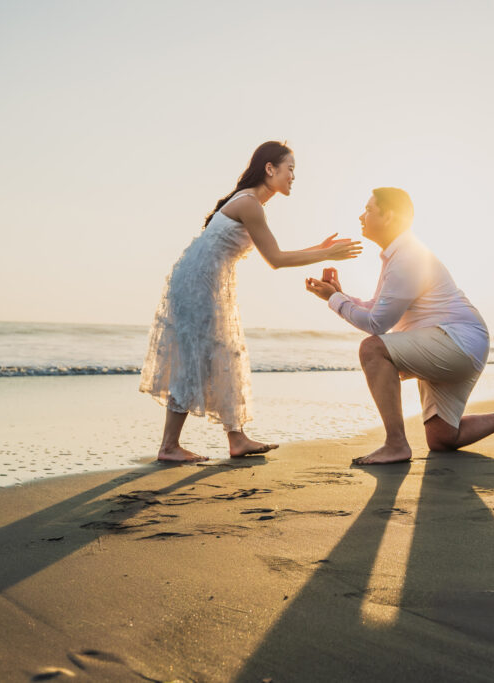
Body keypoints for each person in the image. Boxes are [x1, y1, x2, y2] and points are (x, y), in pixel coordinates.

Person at [140, 141, 362, 463]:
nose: (293, 177)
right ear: (269, 169)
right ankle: (170, 446)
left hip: (206, 281)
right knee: (197, 357)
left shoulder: (252, 203)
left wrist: (319, 247)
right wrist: (326, 253)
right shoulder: (250, 204)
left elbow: (274, 251)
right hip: (198, 285)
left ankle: (237, 438)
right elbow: (275, 259)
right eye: (290, 169)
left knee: (222, 352)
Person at [305, 187, 494, 465]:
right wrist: (339, 295)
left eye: (368, 209)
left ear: (389, 216)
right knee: (442, 438)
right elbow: (378, 307)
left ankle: (396, 444)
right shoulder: (400, 255)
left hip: (456, 342)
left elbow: (377, 324)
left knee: (372, 349)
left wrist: (335, 300)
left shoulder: (408, 258)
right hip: (458, 344)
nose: (361, 215)